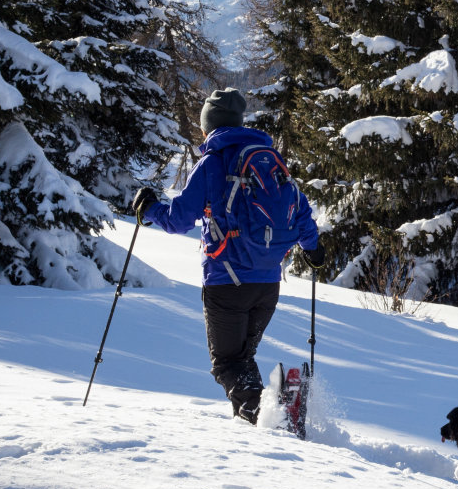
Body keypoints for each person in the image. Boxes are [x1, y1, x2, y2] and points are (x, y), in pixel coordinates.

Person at [132, 88, 323, 426]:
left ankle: (267, 417)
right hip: (268, 285)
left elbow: (178, 220)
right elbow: (302, 210)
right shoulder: (268, 160)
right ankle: (282, 402)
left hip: (226, 283)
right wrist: (313, 249)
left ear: (209, 126)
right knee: (241, 358)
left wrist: (150, 209)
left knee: (226, 363)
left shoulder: (212, 162)